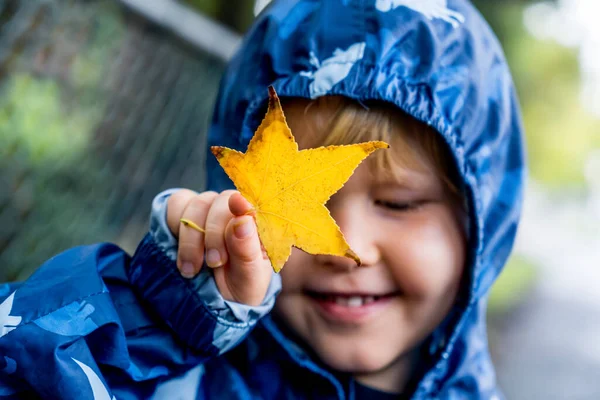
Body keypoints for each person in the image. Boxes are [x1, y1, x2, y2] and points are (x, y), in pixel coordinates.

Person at [0, 0, 525, 398]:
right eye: (297, 200)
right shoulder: (180, 383)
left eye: (400, 203)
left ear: (479, 225)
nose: (346, 247)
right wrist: (159, 319)